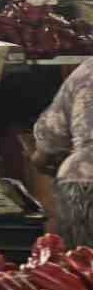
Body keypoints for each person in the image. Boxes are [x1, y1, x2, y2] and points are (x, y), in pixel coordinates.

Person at [32, 54, 93, 246]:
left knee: (83, 267)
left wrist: (40, 160)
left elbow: (50, 138)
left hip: (83, 181)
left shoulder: (88, 70)